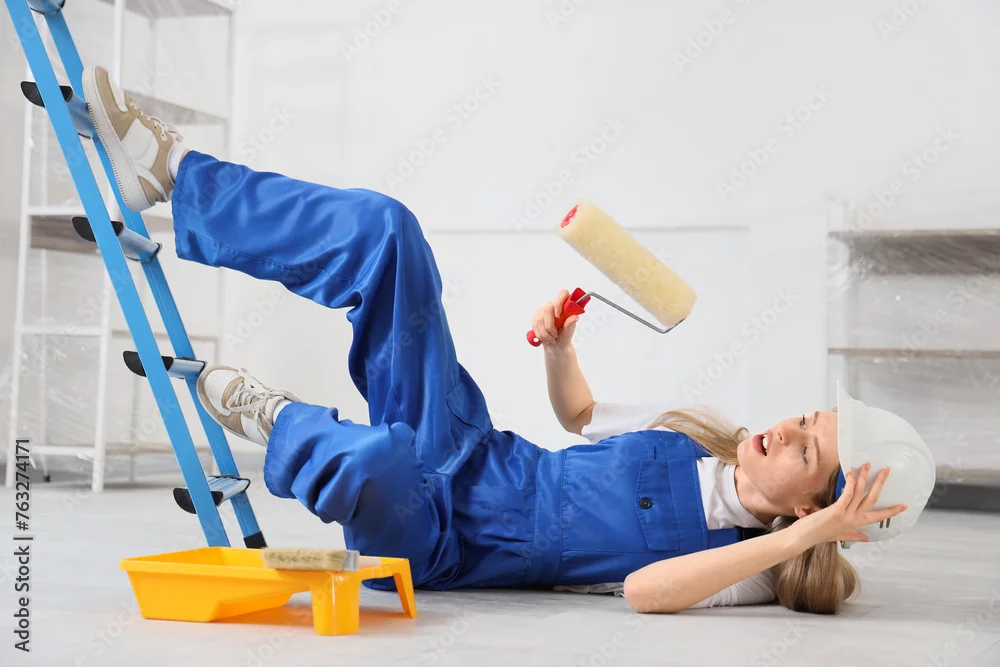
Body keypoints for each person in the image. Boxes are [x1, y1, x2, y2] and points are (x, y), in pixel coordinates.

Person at [82, 65, 930, 614]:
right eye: (804, 417)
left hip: (435, 542)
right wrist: (560, 346)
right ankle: (177, 179)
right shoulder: (697, 432)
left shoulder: (751, 564)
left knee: (380, 460)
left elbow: (646, 591)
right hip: (470, 446)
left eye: (806, 449)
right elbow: (580, 416)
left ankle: (282, 422)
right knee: (389, 233)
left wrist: (802, 542)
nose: (782, 428)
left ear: (811, 507)